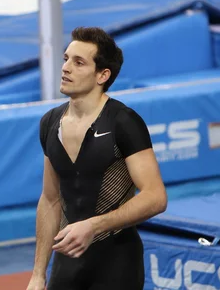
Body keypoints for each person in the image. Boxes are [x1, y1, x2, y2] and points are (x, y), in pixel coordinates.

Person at [26, 27, 167, 290]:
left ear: (103, 75)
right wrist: (38, 273)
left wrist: (93, 226)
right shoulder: (50, 123)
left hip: (116, 262)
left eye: (78, 62)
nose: (66, 68)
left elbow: (155, 197)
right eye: (66, 59)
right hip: (66, 262)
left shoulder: (123, 122)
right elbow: (50, 199)